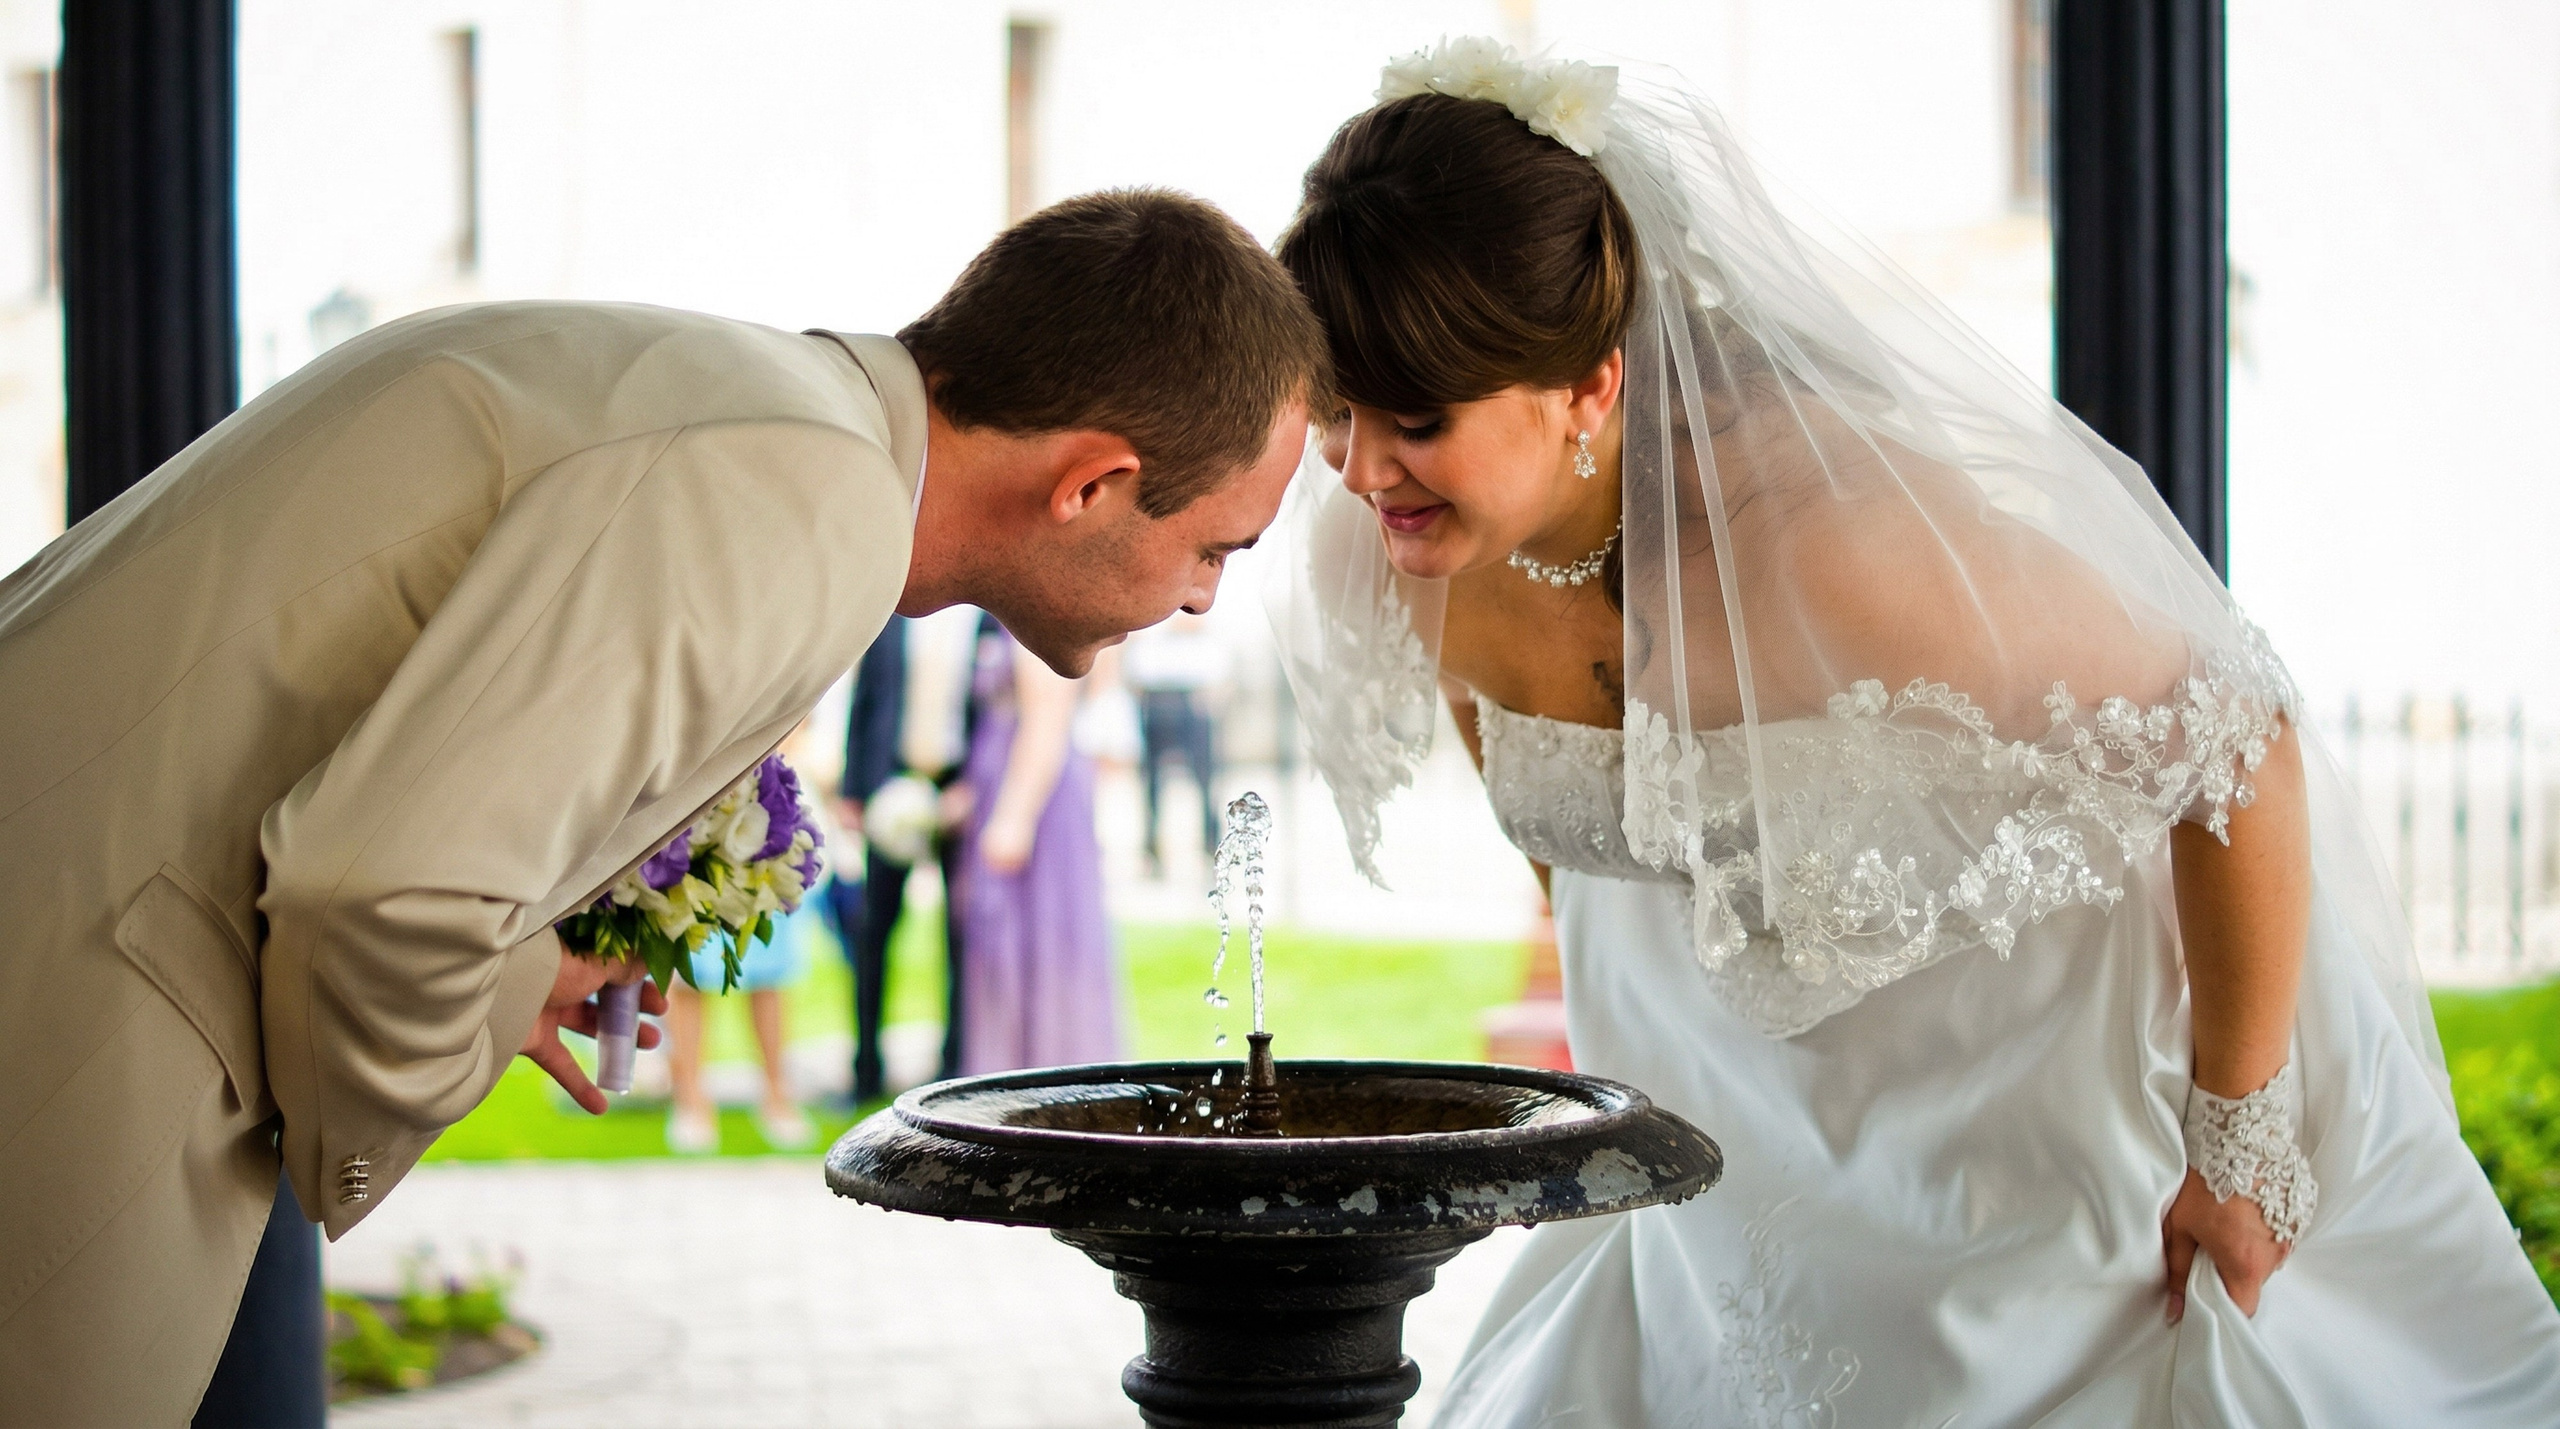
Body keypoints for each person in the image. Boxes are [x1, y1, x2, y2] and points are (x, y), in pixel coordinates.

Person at [1269, 40, 2560, 1426]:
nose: (1359, 469)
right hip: (1749, 1128)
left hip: (2046, 1096)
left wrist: (2238, 1146)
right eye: (1336, 413)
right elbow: (1573, 856)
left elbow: (2240, 737)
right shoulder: (1412, 551)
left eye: (1414, 420)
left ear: (1590, 384)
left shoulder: (1838, 554)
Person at [0, 187, 1326, 1424]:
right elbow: (382, 891)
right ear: (1092, 482)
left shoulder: (751, 409)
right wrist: (433, 1049)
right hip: (78, 1019)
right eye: (1215, 546)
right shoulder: (807, 499)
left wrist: (509, 971)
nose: (1206, 598)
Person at [953, 617, 1124, 1073]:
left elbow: (1047, 721)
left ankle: (1042, 1065)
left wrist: (1014, 818)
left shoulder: (1035, 622)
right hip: (1000, 787)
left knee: (1033, 941)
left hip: (1036, 803)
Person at [835, 611, 977, 1101]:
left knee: (960, 936)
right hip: (889, 786)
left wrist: (974, 785)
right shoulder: (895, 615)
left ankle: (954, 1067)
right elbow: (867, 698)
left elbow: (993, 711)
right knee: (873, 932)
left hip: (959, 790)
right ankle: (866, 1070)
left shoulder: (987, 622)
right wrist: (854, 791)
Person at [1125, 611, 1229, 874]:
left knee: (1205, 783)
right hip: (1156, 702)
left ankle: (1211, 845)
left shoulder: (1204, 637)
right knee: (1152, 786)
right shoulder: (1150, 628)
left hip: (1192, 702)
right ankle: (1153, 850)